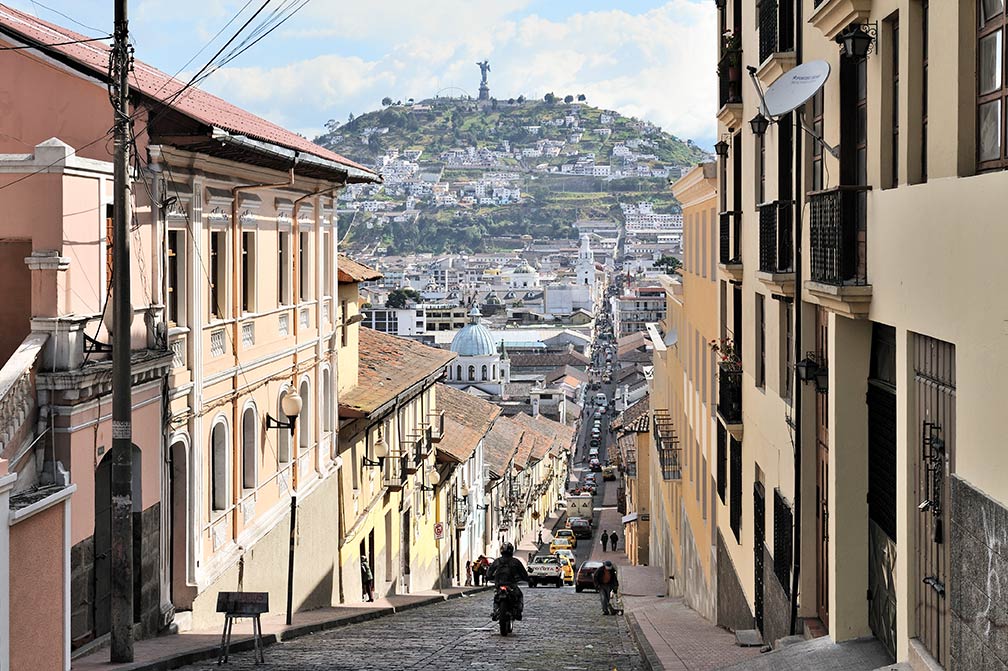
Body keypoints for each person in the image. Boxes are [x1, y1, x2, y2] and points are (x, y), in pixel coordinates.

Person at [486, 542, 529, 620]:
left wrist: (489, 577)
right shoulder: (515, 561)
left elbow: (490, 571)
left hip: (499, 584)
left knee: (496, 597)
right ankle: (518, 612)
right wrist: (526, 578)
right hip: (511, 584)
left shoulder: (497, 561)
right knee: (519, 595)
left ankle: (495, 611)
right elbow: (523, 573)